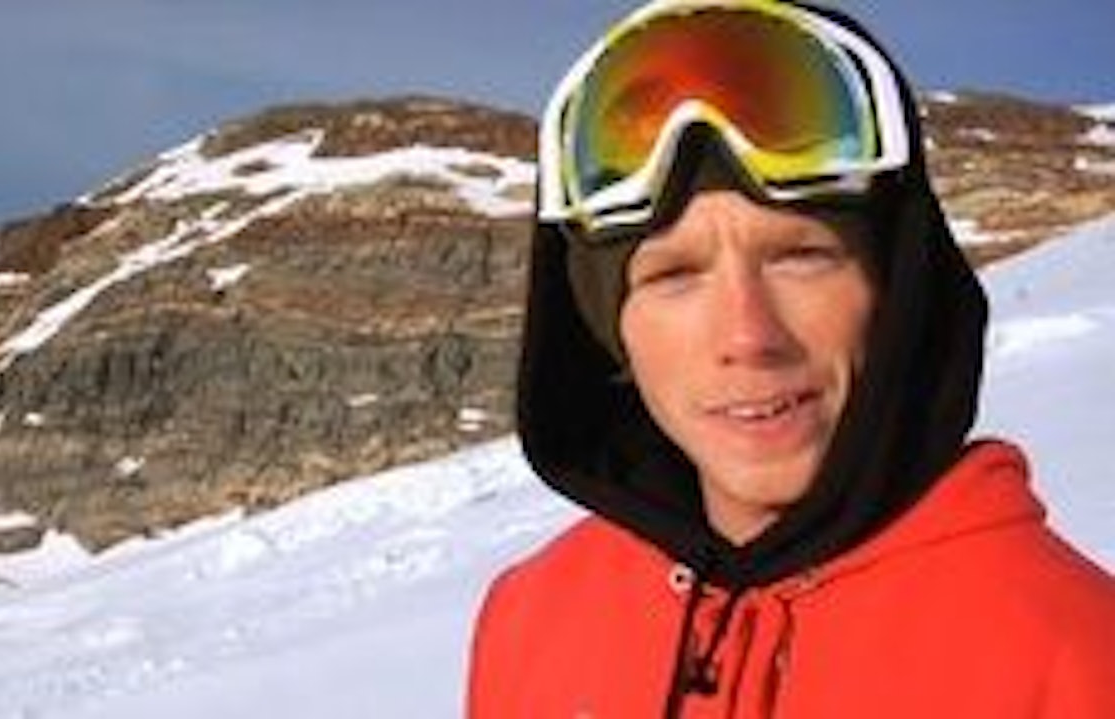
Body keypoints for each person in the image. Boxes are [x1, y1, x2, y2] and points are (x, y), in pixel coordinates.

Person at [466, 0, 1115, 716]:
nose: (748, 337)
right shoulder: (531, 622)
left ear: (895, 292)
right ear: (608, 329)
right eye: (675, 275)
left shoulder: (1078, 657)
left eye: (800, 256)